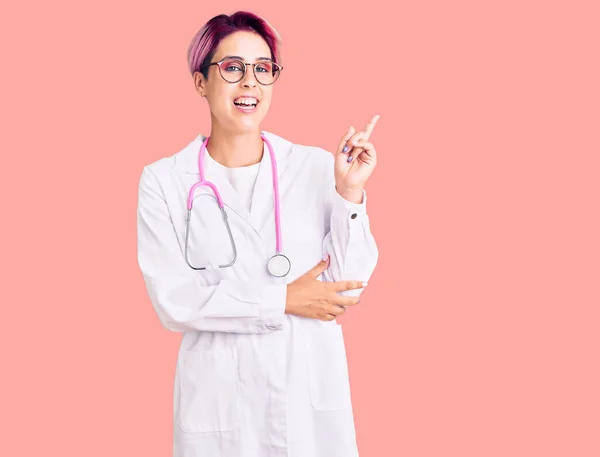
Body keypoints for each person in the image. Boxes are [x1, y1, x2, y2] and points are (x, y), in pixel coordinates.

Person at [136, 10, 379, 457]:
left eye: (263, 69)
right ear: (200, 82)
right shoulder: (165, 180)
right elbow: (175, 301)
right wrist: (283, 300)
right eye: (232, 68)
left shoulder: (312, 167)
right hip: (220, 407)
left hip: (307, 404)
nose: (250, 82)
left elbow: (348, 284)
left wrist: (349, 193)